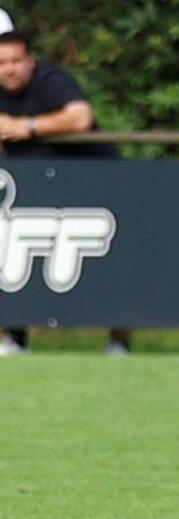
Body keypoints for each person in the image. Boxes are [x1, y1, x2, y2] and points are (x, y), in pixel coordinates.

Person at [0, 29, 129, 355]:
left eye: (16, 60)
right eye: (2, 63)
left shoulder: (50, 80)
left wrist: (25, 127)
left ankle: (118, 343)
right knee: (16, 259)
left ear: (30, 61)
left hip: (93, 181)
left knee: (112, 265)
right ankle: (15, 339)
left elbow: (80, 117)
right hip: (33, 185)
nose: (10, 69)